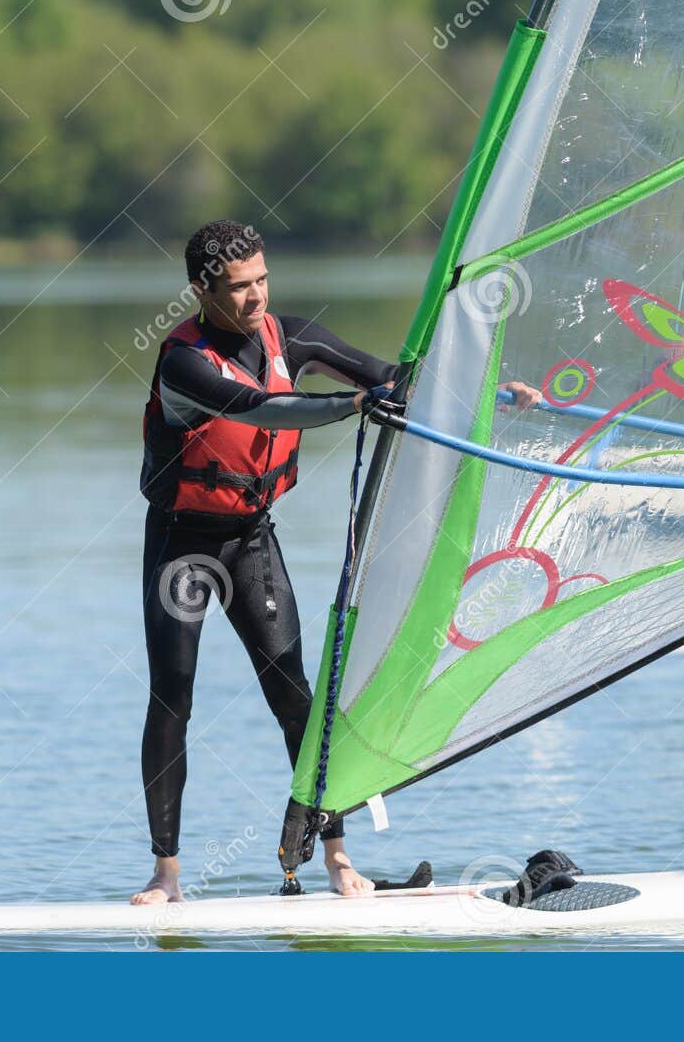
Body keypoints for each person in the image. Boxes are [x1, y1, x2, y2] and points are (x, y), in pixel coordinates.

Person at [136, 219, 539, 904]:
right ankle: (166, 875)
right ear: (201, 290)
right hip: (184, 545)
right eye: (238, 287)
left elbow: (395, 378)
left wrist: (493, 394)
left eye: (262, 279)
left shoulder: (290, 334)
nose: (256, 297)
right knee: (173, 696)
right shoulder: (184, 362)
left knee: (296, 696)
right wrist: (353, 404)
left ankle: (336, 859)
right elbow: (265, 410)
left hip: (251, 538)